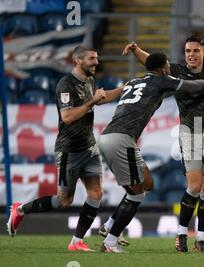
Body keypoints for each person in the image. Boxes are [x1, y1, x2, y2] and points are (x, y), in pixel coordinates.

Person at [97, 52, 204, 253]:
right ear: (162, 68)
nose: (169, 68)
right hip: (120, 139)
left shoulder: (135, 80)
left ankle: (109, 225)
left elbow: (114, 93)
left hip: (111, 138)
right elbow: (193, 86)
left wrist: (99, 99)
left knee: (147, 183)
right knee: (136, 195)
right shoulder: (162, 80)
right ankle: (110, 242)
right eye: (167, 65)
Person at [6, 46, 124, 251]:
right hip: (69, 151)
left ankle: (76, 241)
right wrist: (91, 102)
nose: (96, 62)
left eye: (97, 58)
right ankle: (21, 210)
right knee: (64, 200)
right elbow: (67, 117)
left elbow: (101, 98)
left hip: (89, 147)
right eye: (91, 59)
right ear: (77, 61)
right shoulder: (65, 85)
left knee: (95, 193)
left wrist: (125, 89)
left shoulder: (89, 80)